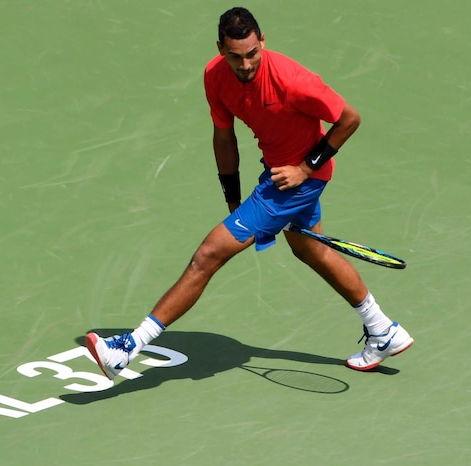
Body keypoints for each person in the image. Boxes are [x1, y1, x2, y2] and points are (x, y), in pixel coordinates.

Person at [86, 6, 412, 379]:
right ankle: (383, 330)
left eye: (252, 53)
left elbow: (349, 119)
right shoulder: (215, 76)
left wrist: (304, 168)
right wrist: (232, 197)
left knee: (206, 256)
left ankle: (127, 348)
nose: (245, 64)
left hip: (296, 180)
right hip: (274, 172)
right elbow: (224, 136)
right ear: (221, 49)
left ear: (263, 42)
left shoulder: (293, 81)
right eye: (235, 56)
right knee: (311, 249)